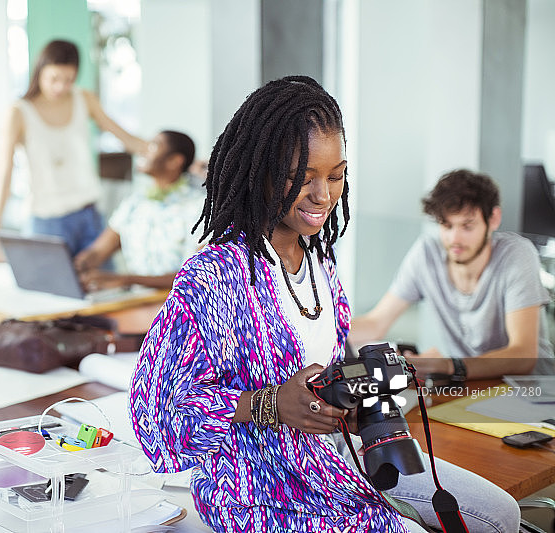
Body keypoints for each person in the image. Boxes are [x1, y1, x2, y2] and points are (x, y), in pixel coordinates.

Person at [128, 76, 519, 532]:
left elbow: (322, 375)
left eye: (336, 176)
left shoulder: (321, 262)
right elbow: (155, 414)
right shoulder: (214, 275)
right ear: (261, 171)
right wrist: (268, 404)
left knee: (500, 515)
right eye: (303, 178)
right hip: (258, 487)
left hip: (330, 458)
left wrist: (347, 407)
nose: (323, 195)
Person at [350, 169, 554, 381]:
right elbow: (375, 323)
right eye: (446, 225)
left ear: (493, 219)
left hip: (534, 394)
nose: (455, 238)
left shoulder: (516, 254)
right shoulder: (427, 254)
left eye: (467, 226)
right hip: (471, 389)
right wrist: (321, 335)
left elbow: (523, 356)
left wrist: (448, 365)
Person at [0, 39, 148, 266]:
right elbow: (4, 175)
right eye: (54, 79)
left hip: (90, 218)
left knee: (106, 293)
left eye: (69, 80)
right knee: (49, 298)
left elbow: (127, 139)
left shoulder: (85, 99)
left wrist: (177, 156)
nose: (60, 87)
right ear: (39, 71)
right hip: (45, 223)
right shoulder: (19, 112)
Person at [73, 130, 203, 291]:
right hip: (135, 302)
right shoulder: (134, 204)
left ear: (174, 161)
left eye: (154, 146)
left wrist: (127, 280)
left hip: (178, 307)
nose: (143, 150)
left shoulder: (199, 207)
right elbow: (98, 251)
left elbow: (197, 275)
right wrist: (79, 265)